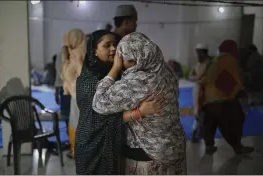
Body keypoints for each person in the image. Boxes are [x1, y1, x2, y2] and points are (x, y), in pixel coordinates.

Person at [92, 32, 187, 175]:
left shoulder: (137, 81)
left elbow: (99, 103)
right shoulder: (168, 71)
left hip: (149, 154)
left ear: (130, 58)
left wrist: (115, 69)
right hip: (176, 147)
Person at [75, 30, 165, 174]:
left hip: (113, 145)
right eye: (107, 45)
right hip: (93, 147)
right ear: (94, 51)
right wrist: (138, 113)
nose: (113, 49)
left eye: (115, 45)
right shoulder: (89, 81)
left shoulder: (119, 76)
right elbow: (97, 119)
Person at [200, 39, 254, 155]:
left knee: (210, 124)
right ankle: (238, 147)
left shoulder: (213, 62)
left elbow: (205, 81)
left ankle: (209, 145)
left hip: (208, 101)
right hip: (223, 101)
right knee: (233, 122)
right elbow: (237, 82)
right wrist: (241, 94)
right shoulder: (230, 61)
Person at [61, 29, 86, 159]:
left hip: (79, 95)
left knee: (77, 123)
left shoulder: (78, 53)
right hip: (76, 94)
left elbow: (81, 74)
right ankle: (77, 151)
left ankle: (79, 152)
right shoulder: (75, 52)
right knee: (75, 122)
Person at [189, 43, 211, 142]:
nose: (197, 56)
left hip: (205, 92)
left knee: (204, 113)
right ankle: (197, 132)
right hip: (197, 91)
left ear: (204, 53)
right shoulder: (198, 64)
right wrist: (196, 78)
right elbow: (191, 76)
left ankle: (198, 133)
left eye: (199, 53)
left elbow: (201, 78)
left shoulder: (209, 65)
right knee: (198, 113)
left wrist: (197, 78)